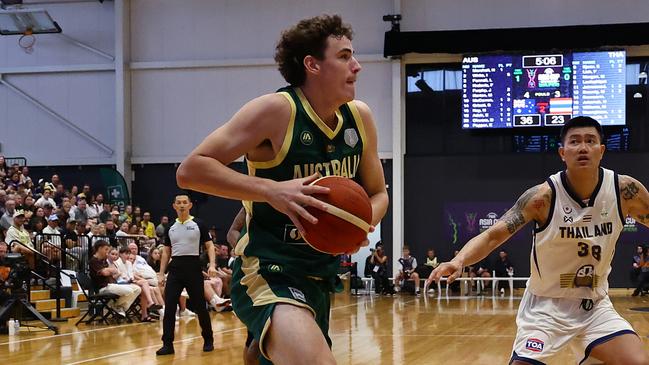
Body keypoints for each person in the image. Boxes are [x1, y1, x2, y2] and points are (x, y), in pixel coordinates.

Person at [176, 14, 388, 365]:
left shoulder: (360, 118)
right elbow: (191, 170)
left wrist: (361, 222)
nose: (357, 66)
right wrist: (272, 190)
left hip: (321, 276)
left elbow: (378, 193)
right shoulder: (277, 110)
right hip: (267, 267)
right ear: (312, 64)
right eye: (345, 56)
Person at [428, 116, 649, 364]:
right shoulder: (542, 197)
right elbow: (492, 236)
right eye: (575, 142)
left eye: (590, 141)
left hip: (594, 305)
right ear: (562, 152)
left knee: (637, 361)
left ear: (602, 150)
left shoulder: (625, 191)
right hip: (546, 307)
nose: (583, 147)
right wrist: (459, 260)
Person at [156, 194, 217, 356]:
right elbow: (166, 252)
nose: (182, 205)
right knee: (169, 307)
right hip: (175, 269)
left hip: (193, 268)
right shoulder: (170, 227)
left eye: (184, 202)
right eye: (178, 203)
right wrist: (161, 273)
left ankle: (208, 339)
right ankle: (167, 344)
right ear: (174, 206)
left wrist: (212, 264)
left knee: (200, 307)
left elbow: (210, 246)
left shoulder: (199, 224)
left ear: (190, 205)